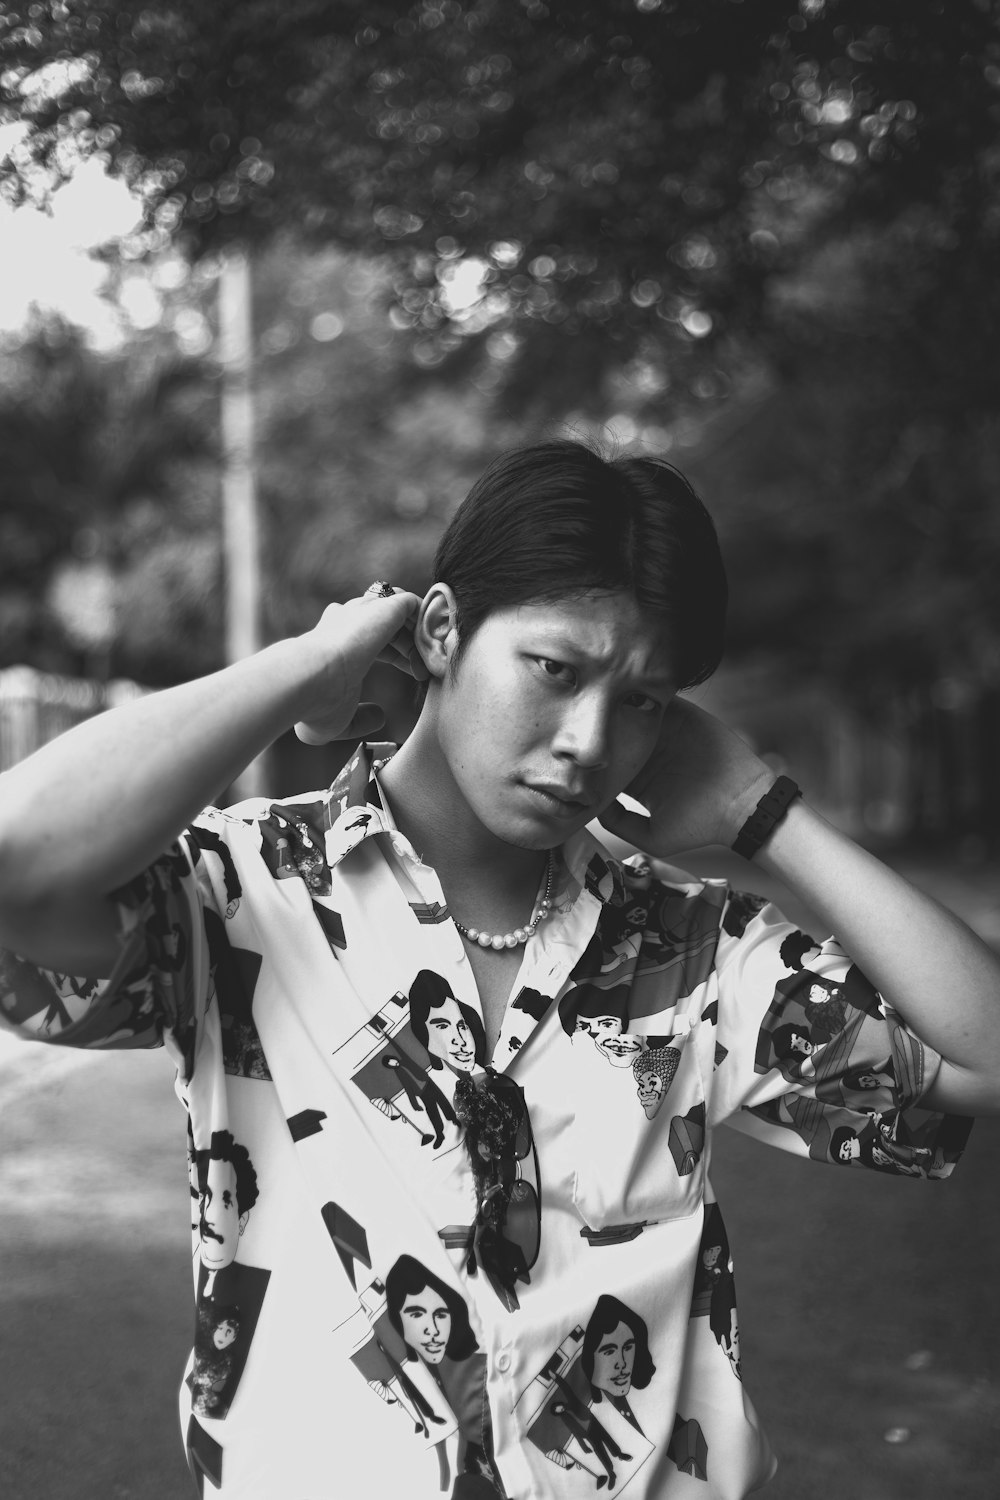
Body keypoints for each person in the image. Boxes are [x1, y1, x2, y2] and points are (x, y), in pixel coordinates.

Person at [1, 438, 998, 1499]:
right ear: (440, 630)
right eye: (555, 672)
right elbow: (19, 866)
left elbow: (979, 1054)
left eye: (644, 701)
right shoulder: (247, 890)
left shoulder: (689, 946)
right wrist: (310, 664)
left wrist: (766, 815)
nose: (587, 740)